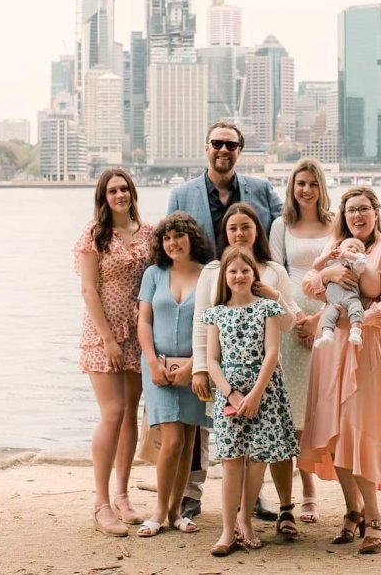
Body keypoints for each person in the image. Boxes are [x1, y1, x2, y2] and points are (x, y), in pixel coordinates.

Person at [167, 121, 283, 519]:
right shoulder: (182, 194)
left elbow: (281, 237)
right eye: (216, 143)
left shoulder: (262, 191)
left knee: (255, 410)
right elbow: (171, 249)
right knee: (198, 411)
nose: (223, 150)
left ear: (239, 150)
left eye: (230, 145)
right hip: (205, 297)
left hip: (251, 301)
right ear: (206, 147)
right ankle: (192, 493)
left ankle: (254, 496)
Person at [299, 186, 381, 554]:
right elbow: (310, 284)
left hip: (366, 348)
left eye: (363, 209)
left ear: (376, 212)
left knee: (359, 429)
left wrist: (356, 312)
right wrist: (329, 273)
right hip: (331, 350)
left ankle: (375, 517)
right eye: (350, 211)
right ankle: (352, 510)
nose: (357, 216)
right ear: (343, 216)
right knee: (334, 431)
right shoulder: (335, 250)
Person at [192, 202, 301, 536]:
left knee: (270, 449)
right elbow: (203, 324)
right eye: (233, 228)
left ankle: (279, 509)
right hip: (229, 383)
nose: (240, 234)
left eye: (247, 227)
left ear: (258, 230)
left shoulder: (273, 271)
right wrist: (202, 369)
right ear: (225, 233)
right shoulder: (212, 272)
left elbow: (287, 324)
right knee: (233, 454)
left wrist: (271, 295)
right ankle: (234, 522)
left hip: (266, 381)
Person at [73, 168, 154, 537]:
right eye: (113, 191)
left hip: (139, 334)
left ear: (132, 193)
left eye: (124, 189)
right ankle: (100, 503)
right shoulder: (95, 236)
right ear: (103, 198)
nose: (120, 195)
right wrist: (107, 338)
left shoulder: (149, 234)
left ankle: (123, 493)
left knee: (130, 414)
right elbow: (89, 290)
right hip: (104, 333)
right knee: (113, 412)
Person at [135, 212, 213, 537]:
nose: (172, 243)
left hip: (195, 370)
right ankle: (158, 512)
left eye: (178, 236)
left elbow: (212, 322)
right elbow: (144, 322)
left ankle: (175, 511)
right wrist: (152, 362)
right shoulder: (154, 274)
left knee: (188, 443)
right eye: (166, 238)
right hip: (159, 369)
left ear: (191, 238)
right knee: (172, 441)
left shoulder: (209, 275)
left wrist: (195, 365)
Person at [269, 157, 334, 524]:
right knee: (293, 411)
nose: (305, 190)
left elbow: (343, 272)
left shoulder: (335, 223)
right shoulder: (282, 225)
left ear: (320, 187)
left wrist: (319, 318)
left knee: (321, 408)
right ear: (292, 188)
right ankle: (303, 492)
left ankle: (332, 488)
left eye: (311, 183)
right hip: (290, 320)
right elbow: (277, 274)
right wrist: (296, 319)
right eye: (299, 184)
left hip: (328, 318)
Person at [312, 237, 367, 347]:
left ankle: (356, 332)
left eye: (357, 248)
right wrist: (327, 256)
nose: (353, 248)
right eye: (350, 246)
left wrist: (346, 254)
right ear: (338, 248)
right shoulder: (331, 263)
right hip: (333, 302)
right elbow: (316, 266)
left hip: (351, 299)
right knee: (328, 316)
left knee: (356, 310)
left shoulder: (355, 266)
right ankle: (327, 335)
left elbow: (361, 261)